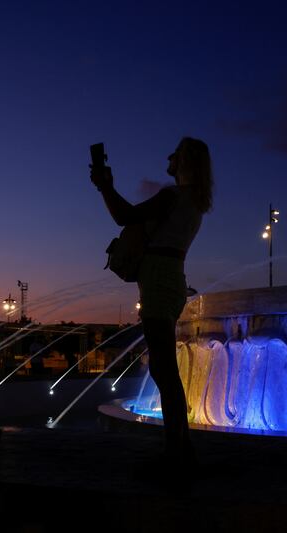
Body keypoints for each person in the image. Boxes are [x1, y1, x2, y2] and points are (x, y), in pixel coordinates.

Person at [90, 137, 213, 470]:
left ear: (185, 160)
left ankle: (177, 451)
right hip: (172, 278)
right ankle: (180, 446)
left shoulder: (172, 196)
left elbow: (124, 216)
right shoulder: (195, 202)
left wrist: (105, 186)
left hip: (159, 279)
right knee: (163, 367)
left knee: (163, 368)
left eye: (175, 153)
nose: (169, 156)